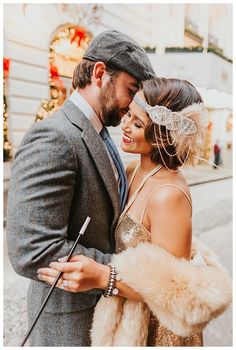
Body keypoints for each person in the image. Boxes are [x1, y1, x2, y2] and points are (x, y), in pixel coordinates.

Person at [38, 78, 232, 346]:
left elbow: (177, 290)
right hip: (126, 319)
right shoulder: (133, 170)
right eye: (129, 114)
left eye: (138, 124)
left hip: (157, 332)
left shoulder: (168, 195)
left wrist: (103, 276)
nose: (126, 126)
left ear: (163, 136)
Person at [6, 30, 155, 346]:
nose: (131, 105)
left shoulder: (101, 133)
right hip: (68, 324)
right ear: (100, 74)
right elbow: (31, 249)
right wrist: (123, 275)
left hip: (104, 319)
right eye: (130, 90)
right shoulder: (55, 137)